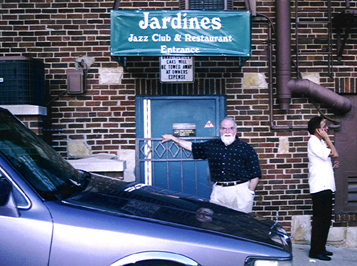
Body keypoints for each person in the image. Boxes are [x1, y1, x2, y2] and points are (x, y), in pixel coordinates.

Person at [161, 117, 261, 213]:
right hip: (218, 191)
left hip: (240, 191)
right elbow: (191, 146)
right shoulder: (212, 145)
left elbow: (255, 173)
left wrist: (249, 192)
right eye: (224, 128)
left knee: (241, 224)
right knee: (217, 223)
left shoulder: (246, 148)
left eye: (230, 128)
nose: (227, 131)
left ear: (235, 130)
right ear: (220, 130)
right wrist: (173, 138)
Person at [307, 116, 339, 261]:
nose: (326, 129)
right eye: (323, 126)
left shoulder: (319, 142)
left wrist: (331, 165)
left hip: (326, 186)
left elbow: (325, 159)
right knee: (320, 220)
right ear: (317, 130)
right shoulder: (314, 141)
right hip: (320, 187)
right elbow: (335, 153)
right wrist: (327, 138)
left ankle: (321, 248)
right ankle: (315, 251)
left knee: (326, 220)